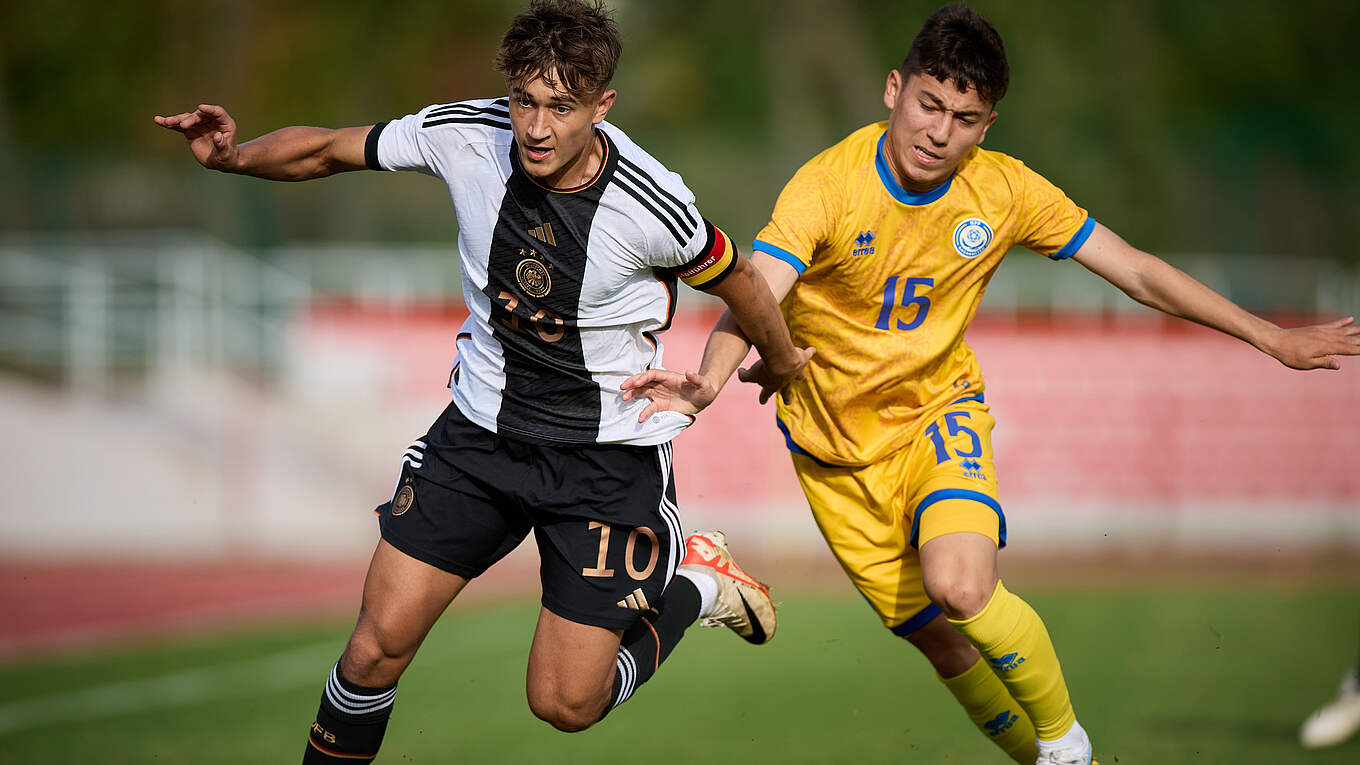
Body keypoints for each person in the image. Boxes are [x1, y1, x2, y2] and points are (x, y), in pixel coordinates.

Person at [621, 4, 1360, 765]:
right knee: (944, 645)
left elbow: (1137, 271)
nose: (939, 132)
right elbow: (757, 291)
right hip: (833, 458)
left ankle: (1067, 748)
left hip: (937, 419)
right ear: (893, 90)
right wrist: (708, 381)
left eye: (964, 118)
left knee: (962, 587)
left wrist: (1270, 336)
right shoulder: (829, 185)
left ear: (988, 126)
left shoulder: (1004, 192)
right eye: (929, 104)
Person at [156, 1, 814, 762]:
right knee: (372, 650)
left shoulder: (651, 204)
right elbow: (333, 149)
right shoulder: (466, 134)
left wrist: (778, 361)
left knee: (565, 703)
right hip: (479, 437)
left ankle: (698, 582)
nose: (536, 128)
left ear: (602, 106)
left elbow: (742, 282)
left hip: (603, 459)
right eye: (524, 101)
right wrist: (234, 157)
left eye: (561, 108)